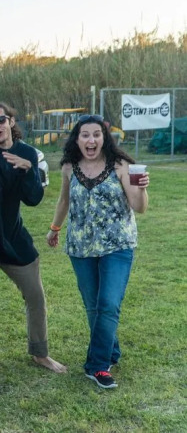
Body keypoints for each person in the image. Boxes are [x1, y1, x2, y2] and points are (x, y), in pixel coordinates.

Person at [0, 102, 67, 374]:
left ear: (10, 121)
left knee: (36, 298)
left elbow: (33, 199)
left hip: (15, 241)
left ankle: (40, 354)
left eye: (0, 120)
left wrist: (28, 169)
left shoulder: (28, 153)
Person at [47, 114, 148, 389]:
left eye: (96, 135)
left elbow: (139, 207)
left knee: (108, 304)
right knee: (93, 306)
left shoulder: (121, 165)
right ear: (77, 139)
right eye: (85, 135)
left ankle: (98, 366)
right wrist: (54, 228)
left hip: (117, 245)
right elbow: (64, 200)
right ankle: (111, 351)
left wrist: (141, 188)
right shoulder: (69, 166)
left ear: (104, 138)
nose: (91, 140)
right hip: (80, 246)